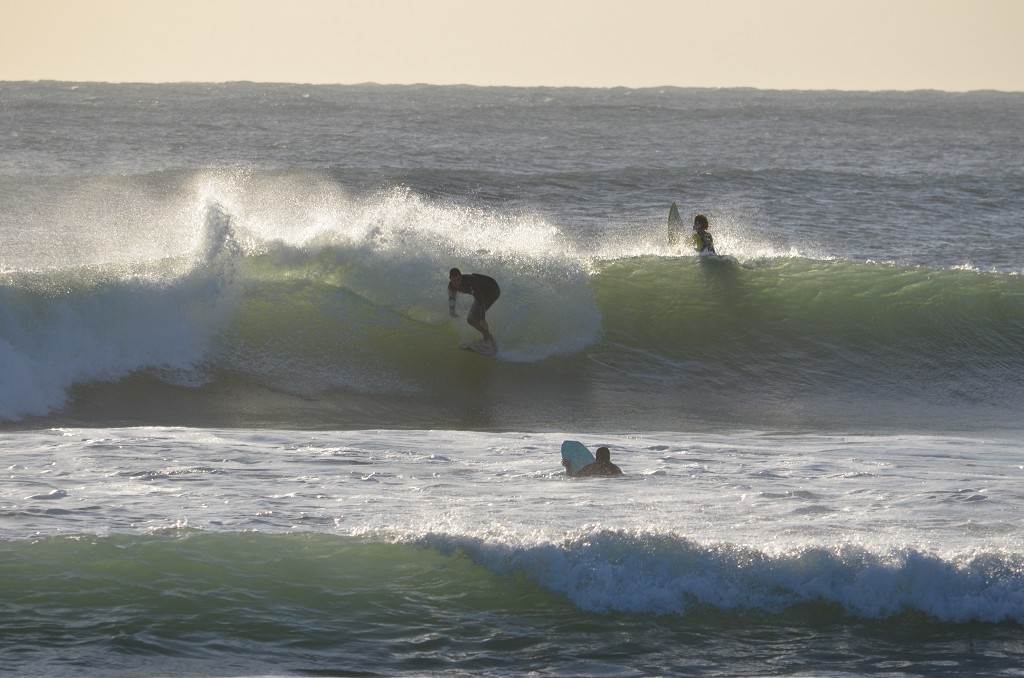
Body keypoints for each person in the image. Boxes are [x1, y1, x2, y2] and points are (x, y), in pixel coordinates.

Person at [448, 268, 500, 348]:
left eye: (458, 279)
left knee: (475, 318)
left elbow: (481, 300)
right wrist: (452, 311)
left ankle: (490, 341)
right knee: (471, 319)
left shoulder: (470, 282)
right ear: (450, 279)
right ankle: (487, 338)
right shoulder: (451, 286)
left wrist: (483, 318)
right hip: (482, 293)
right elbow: (452, 298)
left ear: (461, 277)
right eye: (454, 280)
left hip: (493, 290)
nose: (456, 283)